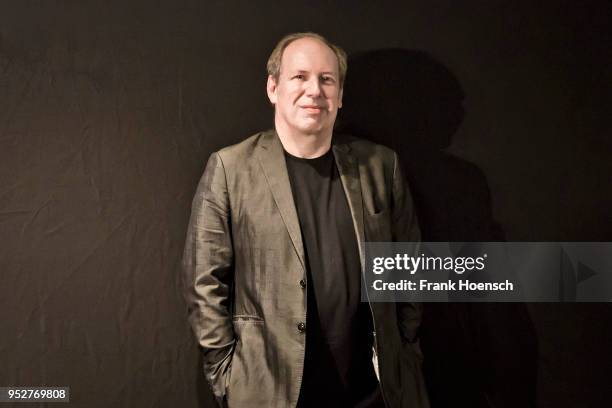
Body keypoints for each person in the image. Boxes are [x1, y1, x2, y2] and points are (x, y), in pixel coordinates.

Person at [182, 32, 429, 408]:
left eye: (327, 79)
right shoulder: (230, 169)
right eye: (300, 76)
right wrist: (225, 376)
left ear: (340, 94)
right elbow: (204, 284)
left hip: (374, 394)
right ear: (273, 87)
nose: (314, 90)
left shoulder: (382, 166)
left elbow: (410, 268)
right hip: (269, 394)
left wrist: (405, 352)